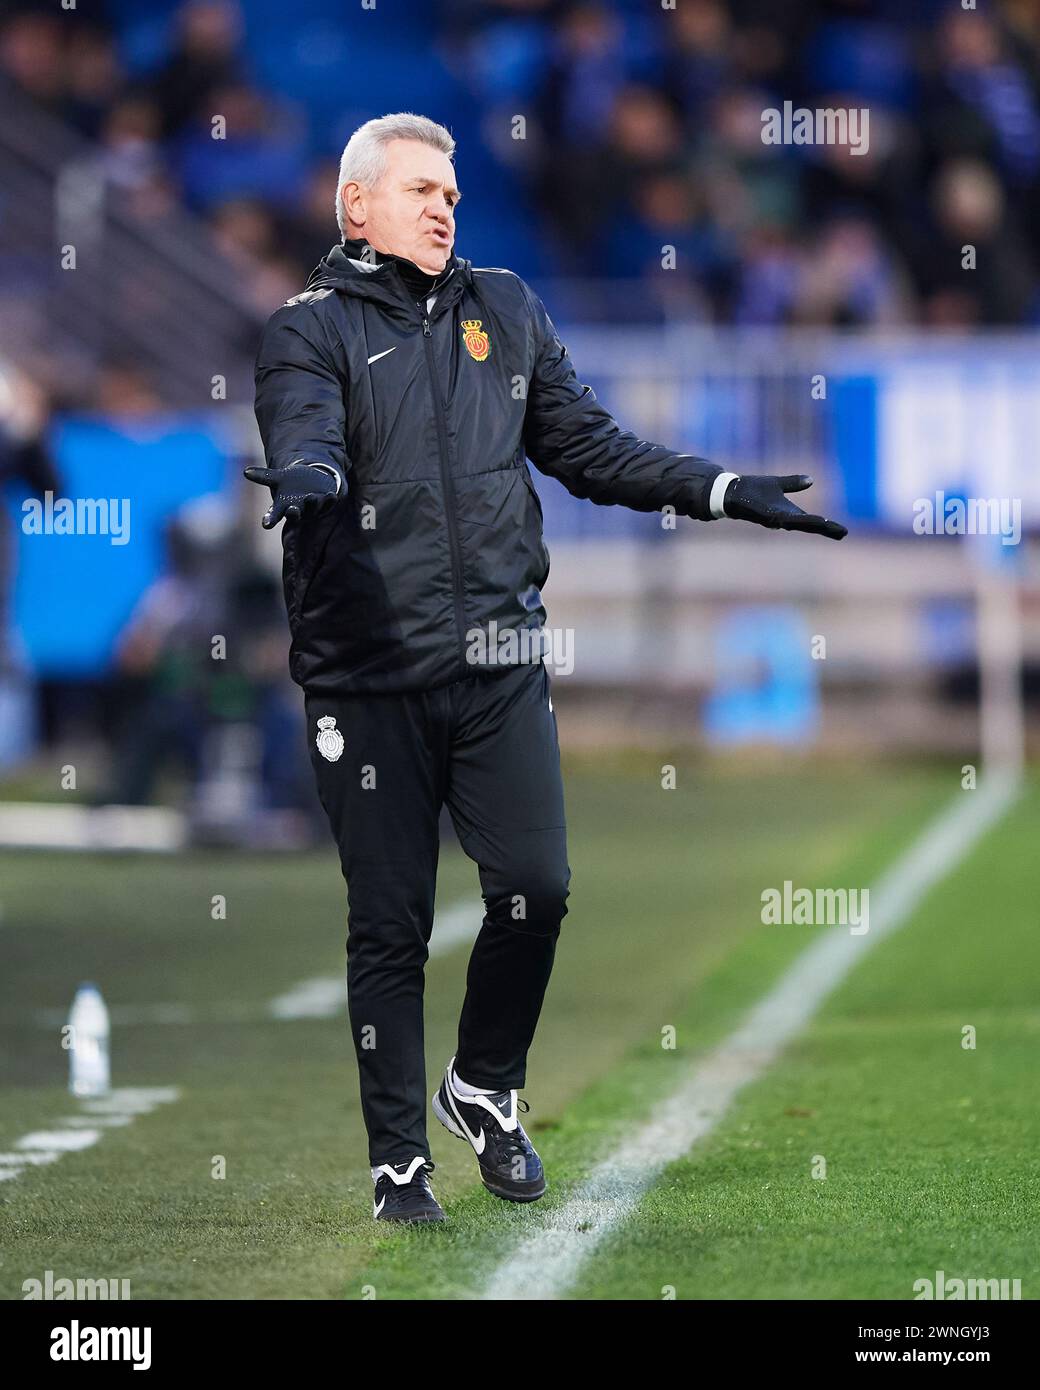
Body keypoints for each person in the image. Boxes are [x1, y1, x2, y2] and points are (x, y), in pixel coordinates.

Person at [247, 112, 846, 1224]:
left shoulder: (504, 309)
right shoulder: (305, 331)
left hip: (498, 658)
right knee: (390, 923)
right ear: (355, 208)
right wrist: (309, 476)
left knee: (536, 887)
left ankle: (481, 1083)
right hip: (364, 673)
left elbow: (589, 448)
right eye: (419, 189)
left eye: (452, 193)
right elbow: (306, 427)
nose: (441, 207)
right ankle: (397, 1164)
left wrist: (718, 491)